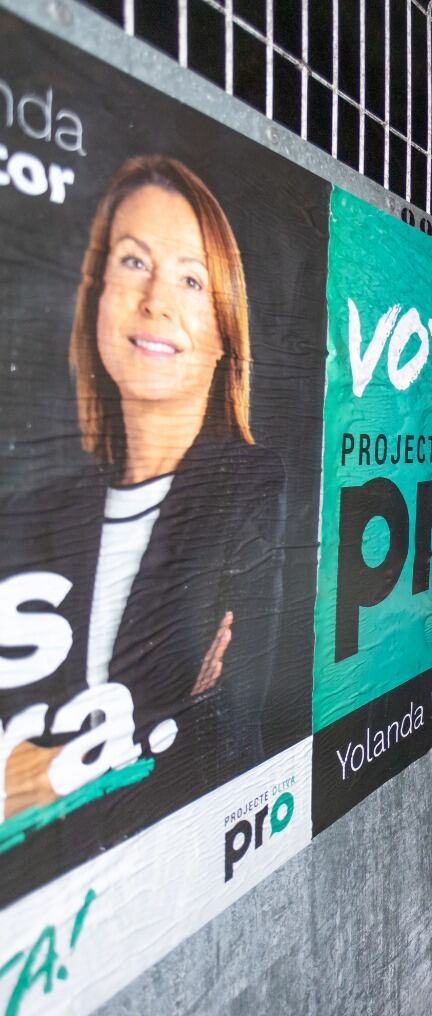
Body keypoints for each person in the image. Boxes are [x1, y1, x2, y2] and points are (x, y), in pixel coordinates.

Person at [3, 155, 286, 821]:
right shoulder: (33, 517)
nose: (155, 300)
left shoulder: (249, 489)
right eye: (132, 262)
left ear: (224, 325)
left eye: (191, 278)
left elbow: (222, 738)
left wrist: (47, 770)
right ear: (94, 294)